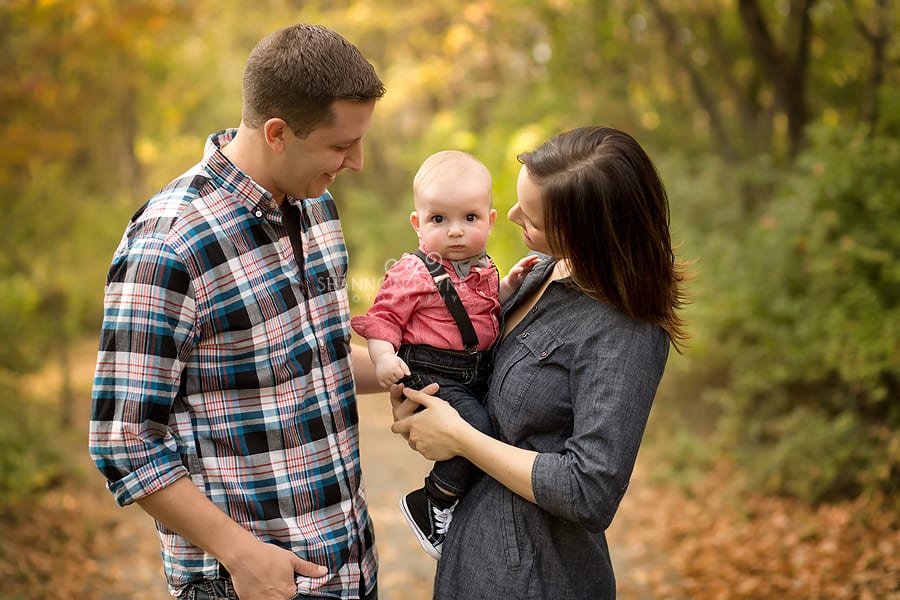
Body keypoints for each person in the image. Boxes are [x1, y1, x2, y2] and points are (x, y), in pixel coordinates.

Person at [89, 24, 386, 600]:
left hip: (351, 570)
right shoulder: (171, 242)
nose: (356, 162)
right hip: (248, 583)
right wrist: (242, 555)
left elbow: (320, 363)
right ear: (277, 133)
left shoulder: (317, 208)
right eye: (340, 146)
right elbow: (124, 440)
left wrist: (439, 358)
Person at [391, 126, 691, 599]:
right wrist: (422, 401)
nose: (511, 217)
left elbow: (589, 491)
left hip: (535, 577)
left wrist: (462, 438)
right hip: (470, 560)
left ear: (586, 236)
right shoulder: (542, 272)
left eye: (531, 218)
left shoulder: (624, 329)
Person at [351, 150, 535, 559]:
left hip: (473, 371)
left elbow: (484, 313)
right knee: (474, 429)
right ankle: (432, 500)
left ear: (489, 220)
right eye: (439, 219)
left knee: (487, 425)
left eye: (469, 218)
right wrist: (384, 358)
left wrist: (509, 285)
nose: (455, 231)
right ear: (417, 224)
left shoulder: (483, 267)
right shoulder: (412, 271)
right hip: (431, 372)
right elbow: (383, 320)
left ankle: (458, 503)